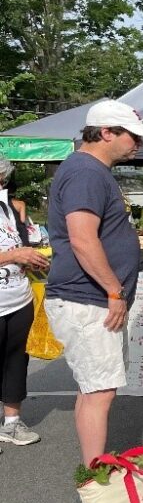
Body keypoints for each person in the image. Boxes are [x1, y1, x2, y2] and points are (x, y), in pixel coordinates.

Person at [44, 99, 143, 485]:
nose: (138, 144)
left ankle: (94, 475)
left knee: (93, 388)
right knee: (100, 393)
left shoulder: (88, 170)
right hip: (86, 298)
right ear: (106, 132)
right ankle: (96, 484)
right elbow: (82, 239)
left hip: (84, 297)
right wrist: (113, 291)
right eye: (132, 135)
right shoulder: (87, 172)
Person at [0, 156, 50, 450]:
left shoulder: (10, 208)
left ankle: (11, 423)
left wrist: (31, 259)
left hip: (19, 298)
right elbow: (11, 253)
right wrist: (13, 257)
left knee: (17, 360)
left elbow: (21, 244)